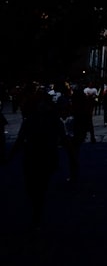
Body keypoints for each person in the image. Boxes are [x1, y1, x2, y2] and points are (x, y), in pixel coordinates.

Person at [10, 86, 65, 226]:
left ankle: (37, 210)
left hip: (45, 156)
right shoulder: (30, 120)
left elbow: (63, 138)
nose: (42, 106)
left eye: (44, 104)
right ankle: (36, 206)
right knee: (31, 185)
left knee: (40, 185)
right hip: (32, 156)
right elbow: (20, 138)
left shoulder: (54, 120)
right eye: (40, 104)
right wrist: (11, 155)